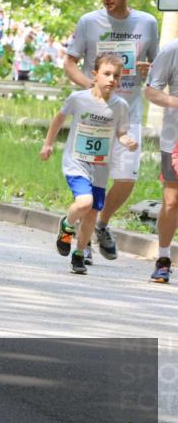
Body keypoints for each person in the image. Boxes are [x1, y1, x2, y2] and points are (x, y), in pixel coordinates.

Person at [63, 0, 159, 264]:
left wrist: (148, 70)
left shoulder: (147, 23)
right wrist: (90, 88)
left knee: (127, 178)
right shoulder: (90, 22)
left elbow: (155, 66)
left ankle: (102, 224)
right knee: (93, 183)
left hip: (128, 113)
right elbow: (70, 63)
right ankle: (84, 243)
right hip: (95, 118)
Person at [40, 54, 136, 274]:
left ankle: (79, 254)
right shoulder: (78, 98)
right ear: (95, 74)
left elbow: (121, 132)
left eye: (117, 76)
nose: (112, 79)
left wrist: (127, 141)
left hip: (100, 167)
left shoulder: (120, 106)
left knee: (92, 214)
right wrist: (48, 144)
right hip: (76, 162)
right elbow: (59, 118)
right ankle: (67, 224)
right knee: (84, 203)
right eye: (107, 73)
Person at [144, 38, 178, 283]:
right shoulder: (172, 50)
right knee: (172, 202)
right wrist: (174, 102)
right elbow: (150, 90)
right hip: (175, 140)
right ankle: (164, 258)